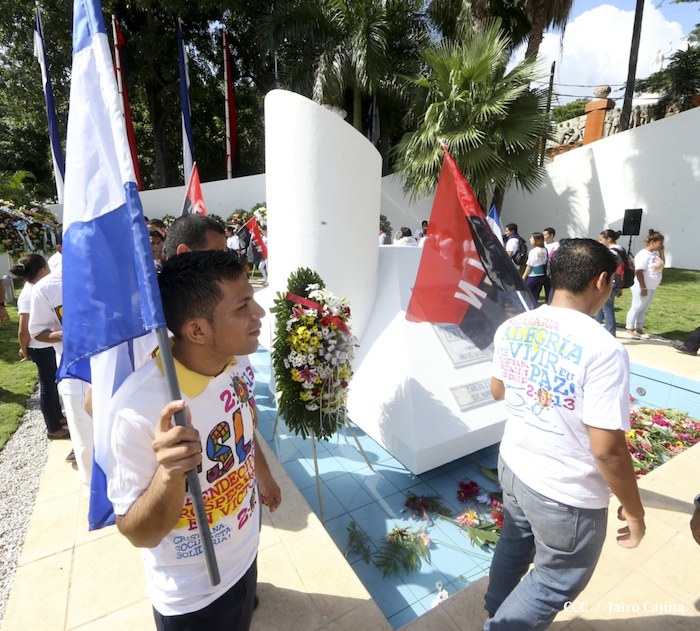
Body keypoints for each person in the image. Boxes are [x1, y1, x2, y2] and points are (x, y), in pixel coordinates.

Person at [484, 238, 645, 630]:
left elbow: (498, 390)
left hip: (514, 466)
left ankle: (495, 609)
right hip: (565, 494)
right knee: (554, 580)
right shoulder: (603, 349)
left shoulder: (513, 326)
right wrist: (635, 511)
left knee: (514, 544)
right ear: (601, 281)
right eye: (613, 283)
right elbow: (607, 450)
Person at [106, 250, 270, 630]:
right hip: (194, 595)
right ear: (197, 331)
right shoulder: (137, 410)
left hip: (245, 555)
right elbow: (137, 532)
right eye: (242, 307)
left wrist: (262, 473)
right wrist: (169, 474)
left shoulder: (237, 361)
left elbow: (245, 424)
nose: (259, 313)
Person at [29, 263, 94, 480]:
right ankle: (92, 490)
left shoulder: (110, 272)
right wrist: (66, 334)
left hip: (116, 366)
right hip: (75, 373)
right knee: (86, 441)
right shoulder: (46, 287)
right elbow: (38, 331)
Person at [11, 254, 68, 439]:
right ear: (43, 270)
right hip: (40, 347)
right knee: (47, 388)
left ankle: (58, 417)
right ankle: (53, 428)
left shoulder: (40, 288)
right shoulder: (30, 293)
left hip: (47, 345)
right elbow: (23, 330)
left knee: (52, 384)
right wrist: (24, 349)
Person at [625, 229, 665, 338]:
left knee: (644, 308)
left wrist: (662, 252)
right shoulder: (643, 255)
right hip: (642, 286)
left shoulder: (654, 255)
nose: (662, 245)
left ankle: (639, 328)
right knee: (637, 306)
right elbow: (639, 271)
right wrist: (643, 287)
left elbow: (662, 264)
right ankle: (629, 328)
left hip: (651, 286)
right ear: (652, 242)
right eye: (660, 243)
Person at [594, 229, 624, 336]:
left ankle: (610, 332)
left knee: (607, 308)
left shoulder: (612, 252)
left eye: (601, 240)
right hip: (616, 281)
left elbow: (608, 267)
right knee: (601, 305)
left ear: (609, 239)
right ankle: (595, 326)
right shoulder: (621, 250)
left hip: (610, 281)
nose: (600, 242)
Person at [521, 232, 548, 302]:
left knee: (526, 292)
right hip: (541, 275)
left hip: (533, 275)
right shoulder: (544, 250)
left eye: (532, 238)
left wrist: (524, 276)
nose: (530, 239)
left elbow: (530, 265)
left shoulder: (533, 251)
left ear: (537, 240)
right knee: (535, 294)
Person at [542, 227, 560, 302]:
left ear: (551, 235)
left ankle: (549, 301)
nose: (544, 237)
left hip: (551, 267)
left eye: (545, 235)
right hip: (542, 266)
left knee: (549, 286)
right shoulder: (542, 244)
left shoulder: (556, 245)